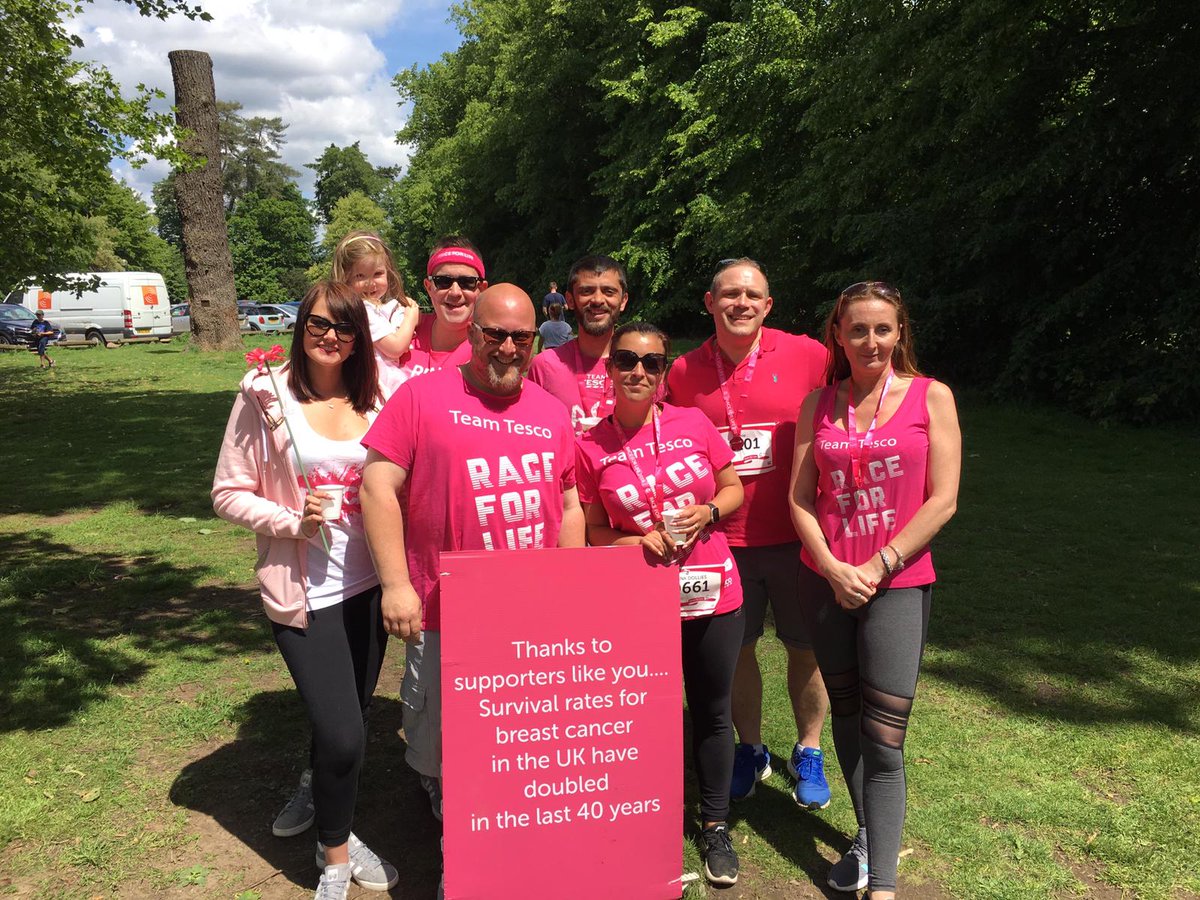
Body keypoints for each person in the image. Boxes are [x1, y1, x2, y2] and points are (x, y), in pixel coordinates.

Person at [360, 284, 585, 894]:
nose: (507, 347)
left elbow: (567, 501)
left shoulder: (550, 411)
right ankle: (463, 861)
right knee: (445, 748)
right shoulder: (422, 396)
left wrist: (570, 583)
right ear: (472, 334)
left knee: (523, 747)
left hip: (530, 617)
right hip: (442, 611)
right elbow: (377, 487)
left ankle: (500, 862)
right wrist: (397, 586)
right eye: (494, 334)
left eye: (521, 337)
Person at [270, 235, 490, 837]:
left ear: (482, 290)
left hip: (465, 538)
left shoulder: (490, 349)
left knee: (466, 673)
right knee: (361, 686)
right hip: (387, 539)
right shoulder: (393, 345)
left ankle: (474, 780)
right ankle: (323, 783)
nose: (454, 292)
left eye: (467, 283)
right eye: (443, 281)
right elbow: (326, 386)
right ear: (424, 284)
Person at [212, 281, 398, 900]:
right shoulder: (266, 394)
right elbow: (228, 492)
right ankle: (336, 854)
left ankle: (315, 785)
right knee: (345, 734)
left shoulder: (382, 395)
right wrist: (293, 521)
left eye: (345, 329)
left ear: (359, 338)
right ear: (300, 324)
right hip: (304, 592)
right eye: (319, 324)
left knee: (349, 716)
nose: (330, 338)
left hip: (372, 586)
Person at [788, 281, 960, 898]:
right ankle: (867, 837)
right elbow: (799, 499)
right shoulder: (819, 403)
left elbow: (944, 500)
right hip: (827, 583)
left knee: (885, 738)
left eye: (882, 329)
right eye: (857, 329)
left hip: (898, 584)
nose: (870, 341)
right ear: (838, 335)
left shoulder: (930, 397)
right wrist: (835, 569)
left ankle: (882, 884)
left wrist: (880, 563)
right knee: (848, 716)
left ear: (899, 333)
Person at [575, 322, 746, 886]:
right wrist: (633, 541)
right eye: (627, 360)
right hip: (636, 600)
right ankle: (642, 820)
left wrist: (709, 513)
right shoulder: (590, 444)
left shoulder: (692, 422)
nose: (639, 372)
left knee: (713, 711)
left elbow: (732, 487)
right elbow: (594, 528)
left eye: (651, 362)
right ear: (610, 367)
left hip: (711, 592)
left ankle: (715, 824)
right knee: (638, 715)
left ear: (665, 369)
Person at [667, 258, 831, 808]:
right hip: (719, 542)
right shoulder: (684, 371)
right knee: (737, 652)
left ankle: (809, 749)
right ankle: (750, 747)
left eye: (751, 294)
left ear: (768, 305)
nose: (740, 303)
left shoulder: (809, 355)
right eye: (728, 294)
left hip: (795, 535)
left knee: (805, 648)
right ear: (709, 303)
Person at [527, 254, 628, 433]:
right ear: (570, 300)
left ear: (623, 301)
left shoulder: (642, 366)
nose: (597, 300)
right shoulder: (544, 366)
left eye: (608, 291)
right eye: (586, 291)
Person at [331, 230, 419, 397]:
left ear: (388, 272)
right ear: (346, 278)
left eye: (378, 274)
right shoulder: (362, 310)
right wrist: (410, 318)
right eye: (360, 276)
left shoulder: (378, 308)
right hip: (377, 379)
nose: (370, 283)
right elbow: (395, 348)